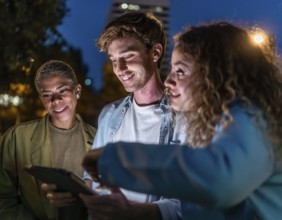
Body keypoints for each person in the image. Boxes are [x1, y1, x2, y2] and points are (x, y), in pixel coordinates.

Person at [81, 21, 282, 220]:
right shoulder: (223, 122)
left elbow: (218, 180)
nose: (168, 80)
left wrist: (117, 159)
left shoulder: (252, 119)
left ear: (213, 74)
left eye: (181, 71)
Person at [42, 12, 183, 220]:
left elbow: (189, 204)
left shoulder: (184, 118)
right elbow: (95, 179)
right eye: (114, 60)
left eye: (128, 57)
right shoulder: (109, 114)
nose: (119, 69)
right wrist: (73, 191)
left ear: (155, 53)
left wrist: (134, 212)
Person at [0, 60, 96, 219]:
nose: (55, 100)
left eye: (62, 91)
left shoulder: (100, 138)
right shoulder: (17, 138)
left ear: (77, 90)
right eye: (47, 95)